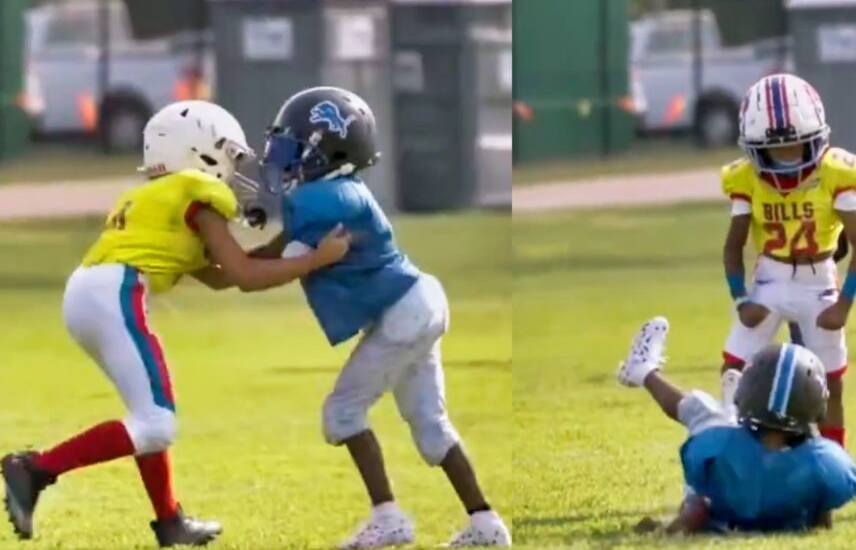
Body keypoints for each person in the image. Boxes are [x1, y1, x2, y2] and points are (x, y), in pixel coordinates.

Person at [1, 101, 350, 547]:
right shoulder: (197, 192)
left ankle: (170, 522)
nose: (234, 166)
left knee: (148, 416)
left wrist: (285, 245)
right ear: (200, 150)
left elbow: (223, 276)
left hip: (89, 292)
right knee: (157, 423)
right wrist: (318, 260)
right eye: (228, 153)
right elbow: (243, 277)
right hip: (116, 292)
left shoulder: (158, 197)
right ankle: (35, 468)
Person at [246, 86, 510, 549]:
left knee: (341, 414)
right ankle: (486, 524)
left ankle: (388, 517)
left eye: (294, 146)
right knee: (430, 426)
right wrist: (238, 262)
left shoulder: (320, 199)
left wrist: (235, 267)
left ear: (327, 150)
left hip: (403, 311)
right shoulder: (337, 192)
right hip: (415, 302)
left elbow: (287, 258)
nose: (282, 156)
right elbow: (284, 243)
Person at [719, 73, 856, 449]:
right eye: (776, 150)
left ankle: (837, 461)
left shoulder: (835, 173)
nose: (787, 158)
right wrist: (742, 300)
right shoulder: (745, 180)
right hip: (770, 279)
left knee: (829, 383)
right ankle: (731, 452)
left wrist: (845, 303)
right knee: (733, 371)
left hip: (819, 280)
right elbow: (732, 247)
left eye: (796, 147)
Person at [618, 317, 856, 534]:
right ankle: (646, 371)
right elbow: (823, 516)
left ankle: (643, 369)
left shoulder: (715, 444)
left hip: (722, 515)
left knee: (703, 412)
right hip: (786, 518)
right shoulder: (827, 462)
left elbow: (700, 479)